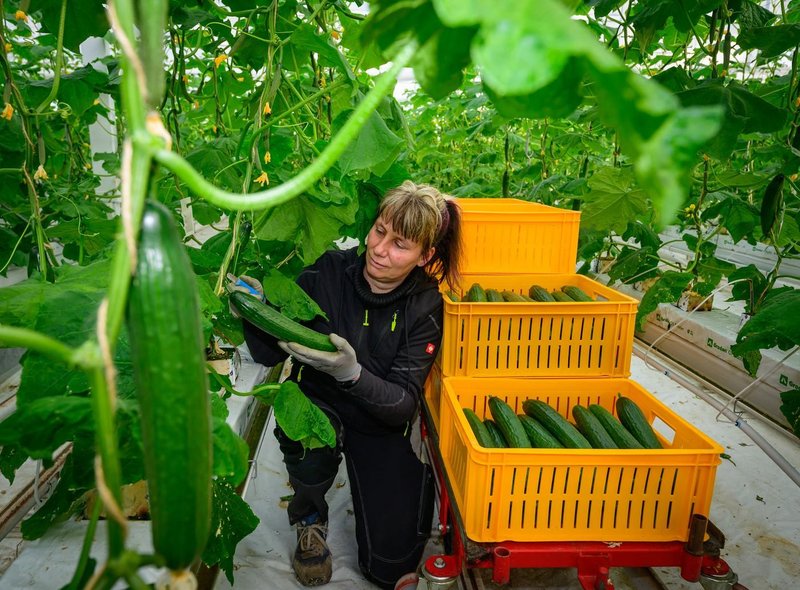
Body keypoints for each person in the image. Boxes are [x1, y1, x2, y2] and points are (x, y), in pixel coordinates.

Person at [232, 181, 462, 590]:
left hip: (380, 418)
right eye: (379, 231)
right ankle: (308, 517)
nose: (379, 248)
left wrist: (350, 373)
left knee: (388, 568)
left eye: (400, 244)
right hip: (318, 404)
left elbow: (403, 405)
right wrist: (253, 310)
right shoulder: (329, 271)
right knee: (309, 443)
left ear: (425, 256)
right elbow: (269, 355)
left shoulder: (425, 303)